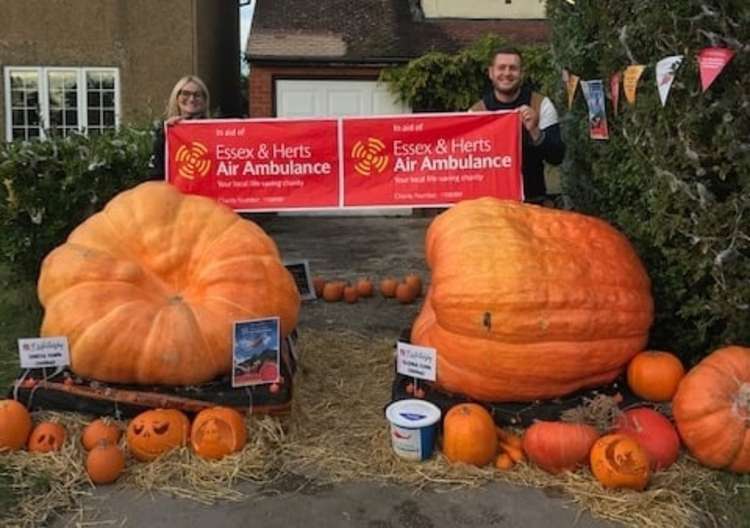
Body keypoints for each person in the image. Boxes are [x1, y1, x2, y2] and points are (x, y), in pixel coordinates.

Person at [470, 48, 565, 203]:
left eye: (513, 68)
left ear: (522, 73)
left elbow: (557, 157)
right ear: (491, 73)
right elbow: (465, 163)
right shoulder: (476, 113)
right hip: (491, 205)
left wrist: (535, 131)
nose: (507, 73)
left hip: (534, 201)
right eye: (501, 67)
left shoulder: (541, 105)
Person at [149, 75, 211, 180]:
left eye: (197, 95)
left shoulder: (216, 132)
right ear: (176, 98)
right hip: (175, 194)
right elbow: (156, 173)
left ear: (205, 100)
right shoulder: (165, 133)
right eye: (185, 93)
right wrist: (167, 134)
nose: (192, 99)